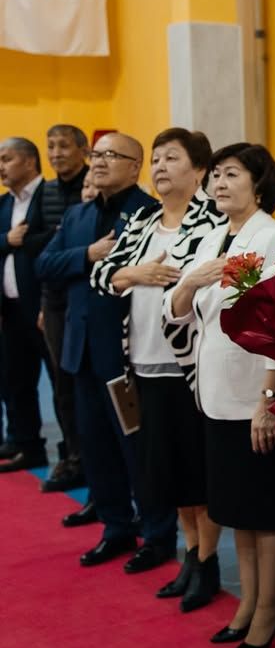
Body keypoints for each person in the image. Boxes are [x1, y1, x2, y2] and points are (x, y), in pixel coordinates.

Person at [164, 143, 275, 648]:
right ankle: (248, 603)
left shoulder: (274, 237)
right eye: (215, 175)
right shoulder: (212, 237)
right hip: (215, 396)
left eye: (232, 174)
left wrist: (269, 399)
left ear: (259, 184)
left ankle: (269, 609)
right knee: (237, 508)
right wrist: (192, 279)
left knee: (267, 508)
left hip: (256, 396)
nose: (219, 183)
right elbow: (176, 309)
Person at [90, 129, 225, 590]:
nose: (161, 167)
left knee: (196, 474)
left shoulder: (213, 222)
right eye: (156, 159)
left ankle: (207, 562)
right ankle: (190, 554)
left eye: (172, 158)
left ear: (199, 170)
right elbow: (102, 275)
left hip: (189, 368)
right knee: (166, 474)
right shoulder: (143, 220)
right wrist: (137, 272)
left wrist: (141, 278)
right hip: (143, 363)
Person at [35, 132, 174, 568]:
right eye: (96, 154)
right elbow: (43, 264)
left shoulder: (150, 214)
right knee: (95, 446)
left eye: (111, 155)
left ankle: (157, 534)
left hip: (128, 352)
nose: (98, 161)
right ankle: (116, 527)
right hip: (81, 350)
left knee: (138, 450)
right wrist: (87, 255)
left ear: (135, 166)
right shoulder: (78, 214)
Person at [38, 124, 91, 493]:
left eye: (63, 146)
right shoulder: (46, 193)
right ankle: (73, 457)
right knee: (62, 387)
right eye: (51, 146)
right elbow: (43, 255)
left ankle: (94, 459)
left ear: (83, 150)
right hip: (55, 302)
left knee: (88, 387)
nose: (56, 153)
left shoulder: (95, 187)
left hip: (88, 300)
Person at [0, 137, 49, 472]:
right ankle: (25, 443)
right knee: (15, 380)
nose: (1, 167)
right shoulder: (4, 204)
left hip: (44, 308)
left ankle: (73, 452)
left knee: (60, 384)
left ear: (30, 161)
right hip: (11, 309)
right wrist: (7, 240)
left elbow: (53, 242)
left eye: (7, 159)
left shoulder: (50, 195)